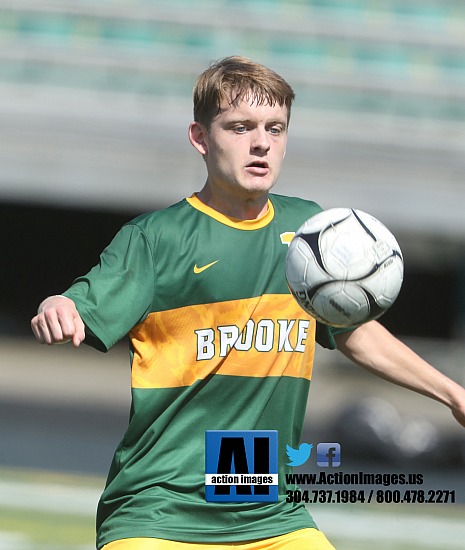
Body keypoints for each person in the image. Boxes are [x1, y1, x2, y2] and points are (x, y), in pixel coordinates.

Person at [31, 56, 465, 550]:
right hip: (158, 508)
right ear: (200, 138)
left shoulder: (312, 235)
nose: (261, 142)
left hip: (266, 509)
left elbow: (354, 332)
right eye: (240, 127)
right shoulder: (157, 239)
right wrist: (57, 304)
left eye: (275, 128)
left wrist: (453, 394)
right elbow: (79, 303)